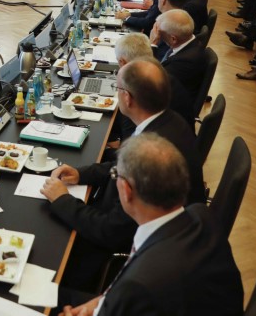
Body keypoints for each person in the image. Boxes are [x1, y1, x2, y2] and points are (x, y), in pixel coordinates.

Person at [42, 58, 203, 293]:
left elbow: (111, 231)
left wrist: (62, 200)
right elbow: (121, 164)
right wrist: (81, 174)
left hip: (108, 251)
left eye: (116, 88)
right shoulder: (167, 122)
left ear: (127, 98)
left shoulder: (155, 147)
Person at [58, 134, 243, 316]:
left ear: (126, 190)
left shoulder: (139, 286)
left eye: (116, 175)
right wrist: (100, 303)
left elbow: (140, 293)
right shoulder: (201, 215)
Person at [153, 9, 206, 103]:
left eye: (160, 33)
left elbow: (151, 81)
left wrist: (153, 44)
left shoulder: (185, 62)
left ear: (173, 39)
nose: (157, 35)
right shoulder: (192, 41)